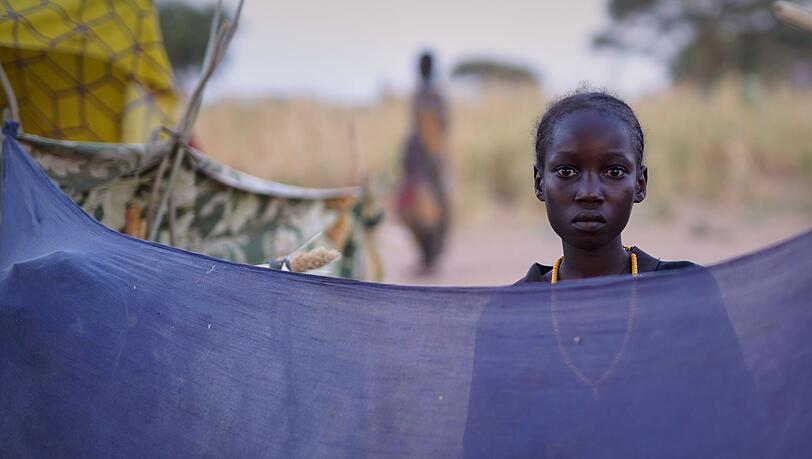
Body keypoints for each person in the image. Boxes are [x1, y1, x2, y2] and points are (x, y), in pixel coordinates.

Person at [462, 90, 762, 457]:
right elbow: (485, 447)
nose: (589, 192)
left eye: (613, 171)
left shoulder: (683, 294)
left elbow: (738, 425)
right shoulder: (508, 316)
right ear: (540, 183)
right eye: (567, 171)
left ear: (640, 184)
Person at [396, 51, 450, 274]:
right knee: (412, 211)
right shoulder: (423, 93)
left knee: (429, 213)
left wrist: (427, 163)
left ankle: (430, 260)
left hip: (429, 164)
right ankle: (427, 258)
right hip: (421, 163)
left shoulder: (431, 95)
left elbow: (434, 132)